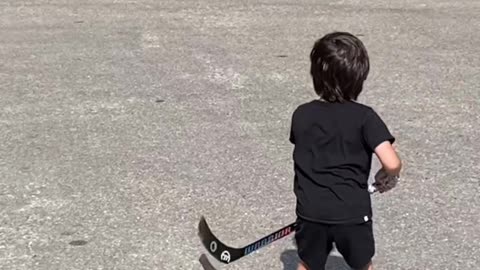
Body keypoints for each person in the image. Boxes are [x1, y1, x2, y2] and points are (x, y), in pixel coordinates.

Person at [289, 32, 402, 270]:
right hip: (351, 214)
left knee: (307, 263)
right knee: (363, 265)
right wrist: (385, 175)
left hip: (311, 211)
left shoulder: (301, 114)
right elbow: (392, 163)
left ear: (316, 75)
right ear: (360, 77)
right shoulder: (365, 117)